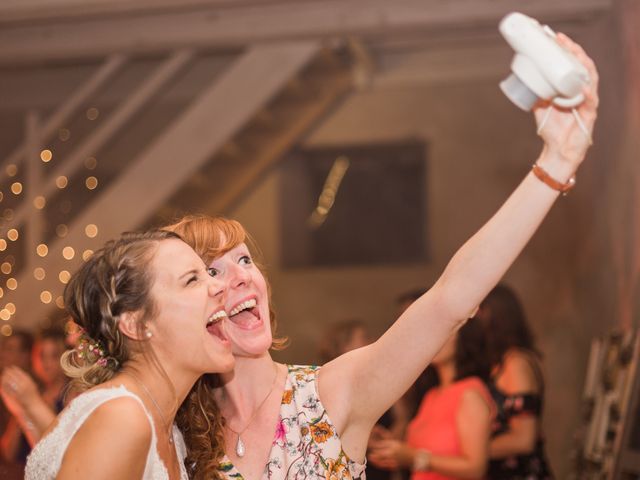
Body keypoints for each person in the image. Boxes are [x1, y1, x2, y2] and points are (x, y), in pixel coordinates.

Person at [166, 34, 598, 480]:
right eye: (210, 272)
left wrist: (556, 165)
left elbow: (450, 300)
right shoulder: (178, 432)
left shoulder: (330, 393)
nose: (239, 277)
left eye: (244, 261)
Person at [18, 230, 235, 479]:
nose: (220, 286)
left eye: (207, 274)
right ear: (136, 325)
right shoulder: (122, 418)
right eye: (192, 280)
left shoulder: (169, 431)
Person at [367, 319, 494, 479]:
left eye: (443, 332)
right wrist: (389, 444)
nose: (434, 339)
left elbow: (476, 468)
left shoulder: (469, 393)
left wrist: (414, 457)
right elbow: (422, 450)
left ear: (464, 337)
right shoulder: (432, 394)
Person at [475, 284, 554, 479]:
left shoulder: (515, 363)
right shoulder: (495, 363)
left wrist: (464, 454)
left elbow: (523, 439)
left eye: (478, 312)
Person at [0, 329, 68, 466]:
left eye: (54, 356)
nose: (46, 363)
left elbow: (65, 446)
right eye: (42, 355)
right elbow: (8, 453)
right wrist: (19, 411)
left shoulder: (72, 393)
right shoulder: (32, 392)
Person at [0, 330, 34, 478]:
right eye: (4, 348)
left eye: (10, 349)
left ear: (26, 356)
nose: (3, 354)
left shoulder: (34, 390)